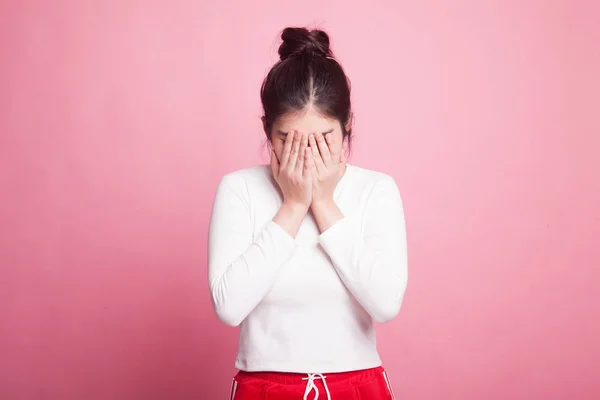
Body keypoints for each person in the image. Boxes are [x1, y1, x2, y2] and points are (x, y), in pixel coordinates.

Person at [208, 26, 408, 400]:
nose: (306, 153)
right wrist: (294, 204)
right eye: (289, 138)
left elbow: (385, 304)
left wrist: (324, 203)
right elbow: (229, 307)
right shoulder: (239, 189)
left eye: (322, 139)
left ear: (347, 125)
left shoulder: (376, 190)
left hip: (357, 386)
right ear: (267, 130)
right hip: (265, 387)